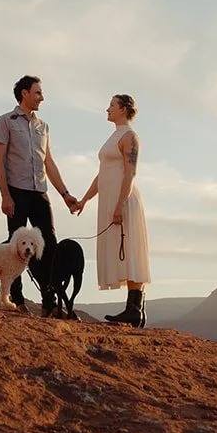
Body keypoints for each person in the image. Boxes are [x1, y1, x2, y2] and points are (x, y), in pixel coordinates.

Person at [0, 74, 79, 316]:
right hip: (16, 192)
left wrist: (65, 194)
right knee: (15, 245)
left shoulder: (43, 127)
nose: (42, 97)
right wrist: (5, 195)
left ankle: (49, 302)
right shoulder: (5, 121)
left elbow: (48, 162)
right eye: (38, 92)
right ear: (24, 93)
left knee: (48, 244)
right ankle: (16, 300)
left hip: (40, 192)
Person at [73, 93, 150, 327]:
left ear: (123, 109)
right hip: (110, 200)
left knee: (130, 249)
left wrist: (120, 204)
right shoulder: (114, 136)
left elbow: (130, 173)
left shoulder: (129, 136)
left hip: (123, 200)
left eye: (112, 105)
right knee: (121, 249)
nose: (107, 109)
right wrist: (84, 200)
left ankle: (134, 310)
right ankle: (134, 311)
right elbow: (102, 174)